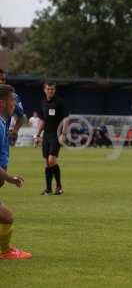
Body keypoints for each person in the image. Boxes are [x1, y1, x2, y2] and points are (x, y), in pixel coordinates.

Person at [0, 84, 31, 260]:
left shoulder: (3, 122)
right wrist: (11, 179)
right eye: (13, 100)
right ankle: (5, 252)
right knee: (6, 217)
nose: (15, 103)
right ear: (2, 103)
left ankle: (5, 251)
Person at [35, 82, 69, 195]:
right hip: (46, 135)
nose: (50, 91)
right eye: (48, 89)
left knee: (51, 160)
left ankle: (59, 187)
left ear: (55, 90)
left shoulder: (59, 102)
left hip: (56, 134)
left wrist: (63, 134)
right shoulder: (43, 102)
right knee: (47, 163)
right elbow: (42, 120)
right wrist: (38, 135)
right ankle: (48, 189)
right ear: (44, 90)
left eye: (52, 89)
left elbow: (66, 119)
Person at [0, 69, 25, 146]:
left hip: (3, 138)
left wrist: (15, 131)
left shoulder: (13, 97)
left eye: (3, 79)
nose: (1, 81)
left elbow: (21, 116)